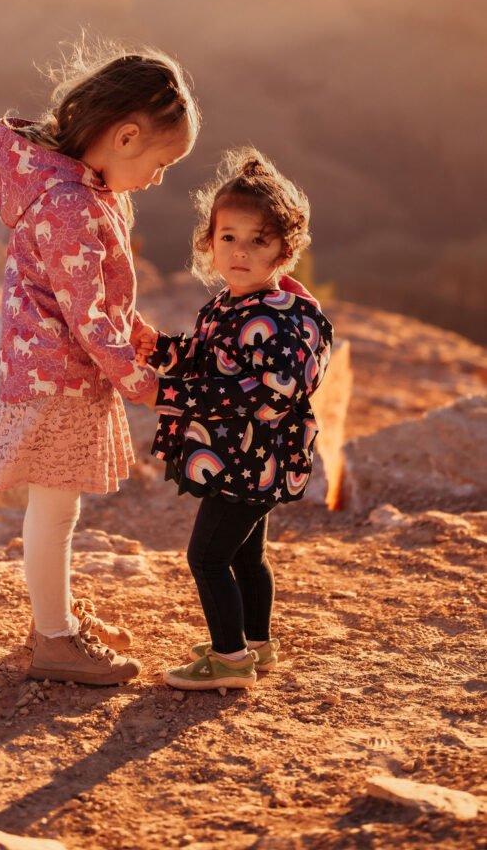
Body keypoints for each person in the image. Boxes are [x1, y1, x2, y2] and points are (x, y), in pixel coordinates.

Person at [0, 42, 198, 685]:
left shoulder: (90, 190)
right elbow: (88, 318)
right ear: (126, 136)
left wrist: (154, 344)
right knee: (53, 512)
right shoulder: (70, 204)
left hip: (63, 373)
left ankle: (56, 622)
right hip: (56, 380)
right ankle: (53, 641)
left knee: (59, 510)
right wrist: (145, 384)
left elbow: (102, 297)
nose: (159, 179)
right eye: (160, 163)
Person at [133, 150, 333, 691]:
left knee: (206, 557)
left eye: (258, 240)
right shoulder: (230, 303)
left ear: (285, 249)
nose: (240, 251)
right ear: (209, 241)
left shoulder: (287, 317)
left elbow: (269, 394)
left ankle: (229, 659)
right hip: (241, 459)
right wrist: (163, 351)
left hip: (255, 457)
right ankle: (256, 644)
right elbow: (209, 359)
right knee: (247, 555)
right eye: (228, 237)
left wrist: (169, 392)